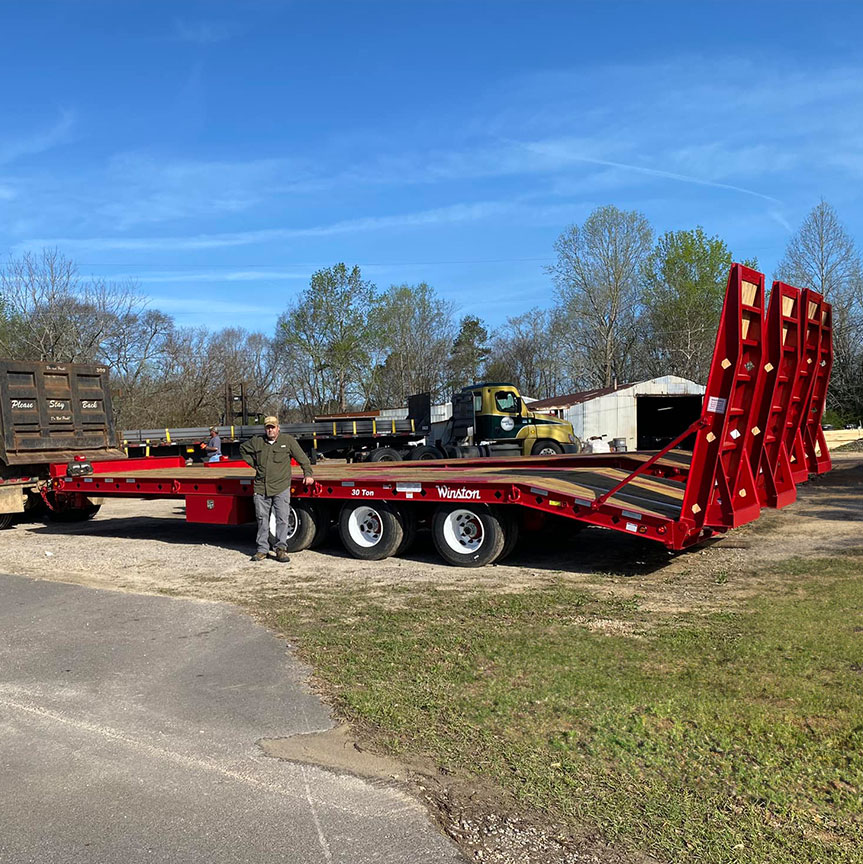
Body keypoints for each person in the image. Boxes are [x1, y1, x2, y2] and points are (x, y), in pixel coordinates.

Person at [239, 416, 313, 563]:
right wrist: (255, 464)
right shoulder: (257, 441)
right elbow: (243, 449)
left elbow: (302, 458)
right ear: (265, 429)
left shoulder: (288, 441)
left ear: (278, 428)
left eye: (273, 427)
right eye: (268, 427)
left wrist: (308, 474)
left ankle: (281, 549)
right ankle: (262, 550)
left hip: (281, 487)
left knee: (282, 519)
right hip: (261, 487)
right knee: (262, 519)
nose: (270, 430)